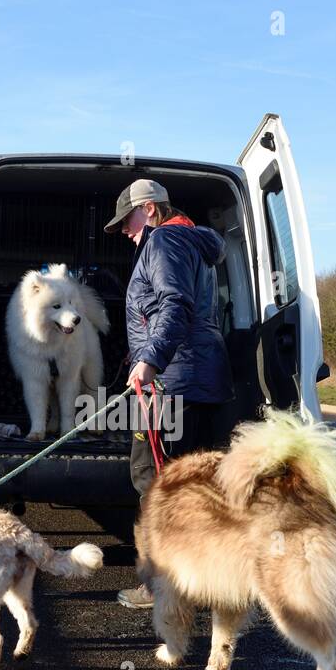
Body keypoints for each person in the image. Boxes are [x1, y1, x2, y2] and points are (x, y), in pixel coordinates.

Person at [102, 178, 235, 609]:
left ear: (152, 208)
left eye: (128, 219)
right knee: (192, 486)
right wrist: (137, 354)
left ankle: (162, 586)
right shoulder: (194, 244)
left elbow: (175, 306)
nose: (125, 230)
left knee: (156, 483)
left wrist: (151, 360)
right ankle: (201, 582)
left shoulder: (163, 241)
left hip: (171, 386)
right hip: (197, 380)